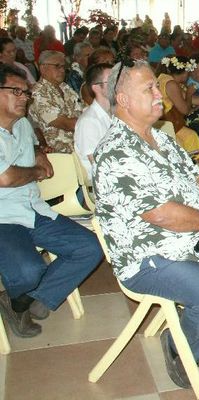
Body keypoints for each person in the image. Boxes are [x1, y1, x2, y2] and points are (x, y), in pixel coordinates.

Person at [94, 59, 199, 388]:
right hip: (148, 257)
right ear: (123, 99)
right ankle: (182, 348)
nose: (160, 94)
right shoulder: (116, 152)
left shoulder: (162, 139)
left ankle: (190, 327)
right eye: (149, 89)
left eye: (156, 86)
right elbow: (160, 214)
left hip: (193, 237)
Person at [0, 64, 101, 338]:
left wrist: (38, 151)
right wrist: (35, 171)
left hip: (33, 208)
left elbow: (32, 141)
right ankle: (24, 294)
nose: (24, 98)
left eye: (26, 92)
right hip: (3, 217)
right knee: (29, 270)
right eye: (15, 92)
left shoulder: (21, 124)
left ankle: (22, 301)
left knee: (89, 248)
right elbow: (6, 178)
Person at [157, 55, 199, 164]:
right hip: (171, 125)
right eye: (188, 72)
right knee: (192, 135)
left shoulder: (164, 78)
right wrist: (190, 93)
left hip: (167, 123)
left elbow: (192, 100)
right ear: (184, 72)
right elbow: (185, 110)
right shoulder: (171, 84)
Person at [29, 50, 83, 153]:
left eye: (63, 66)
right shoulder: (39, 93)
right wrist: (93, 123)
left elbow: (82, 109)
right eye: (57, 66)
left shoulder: (64, 87)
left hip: (78, 145)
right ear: (43, 68)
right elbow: (66, 124)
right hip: (58, 153)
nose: (62, 70)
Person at [74, 63, 112, 182]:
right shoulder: (89, 122)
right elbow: (100, 166)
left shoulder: (115, 114)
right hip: (102, 183)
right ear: (96, 87)